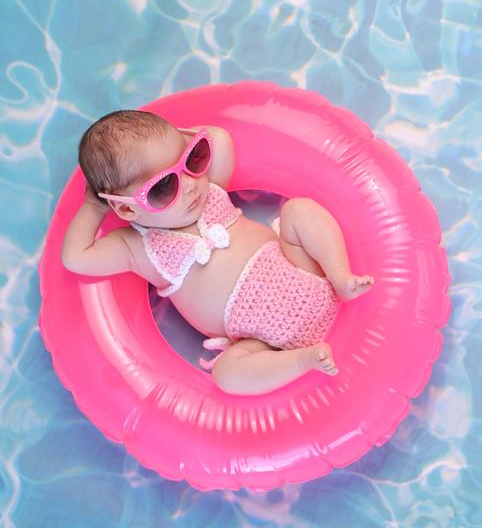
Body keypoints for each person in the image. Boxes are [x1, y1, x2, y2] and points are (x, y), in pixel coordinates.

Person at [61, 110, 374, 395]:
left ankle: (340, 275)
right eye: (163, 187)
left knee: (299, 211)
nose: (188, 186)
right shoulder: (138, 249)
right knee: (227, 374)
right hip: (263, 342)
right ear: (127, 209)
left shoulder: (210, 191)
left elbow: (220, 139)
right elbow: (76, 257)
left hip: (303, 269)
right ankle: (301, 360)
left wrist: (178, 142)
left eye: (190, 161)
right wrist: (93, 205)